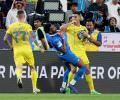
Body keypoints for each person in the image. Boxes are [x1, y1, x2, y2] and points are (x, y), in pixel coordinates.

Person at [4, 10, 43, 93]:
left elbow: (5, 39)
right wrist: (39, 47)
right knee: (32, 67)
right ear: (24, 16)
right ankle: (34, 88)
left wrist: (11, 47)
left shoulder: (12, 26)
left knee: (18, 67)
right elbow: (32, 37)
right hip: (27, 49)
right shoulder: (27, 26)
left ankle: (19, 78)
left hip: (17, 50)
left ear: (17, 17)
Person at [61, 12, 101, 94]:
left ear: (79, 18)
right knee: (73, 69)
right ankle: (68, 87)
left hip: (82, 52)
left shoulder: (84, 28)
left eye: (75, 17)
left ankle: (92, 90)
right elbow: (62, 28)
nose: (73, 18)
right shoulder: (70, 27)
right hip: (72, 52)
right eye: (72, 17)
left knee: (87, 70)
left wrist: (87, 36)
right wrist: (71, 22)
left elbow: (87, 40)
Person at [44, 23, 87, 93]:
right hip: (67, 54)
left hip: (61, 55)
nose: (55, 27)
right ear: (50, 31)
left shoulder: (49, 36)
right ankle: (71, 84)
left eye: (53, 25)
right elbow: (64, 50)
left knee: (69, 69)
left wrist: (71, 23)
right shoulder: (55, 40)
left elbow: (62, 29)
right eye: (53, 27)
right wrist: (63, 38)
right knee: (83, 67)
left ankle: (63, 87)